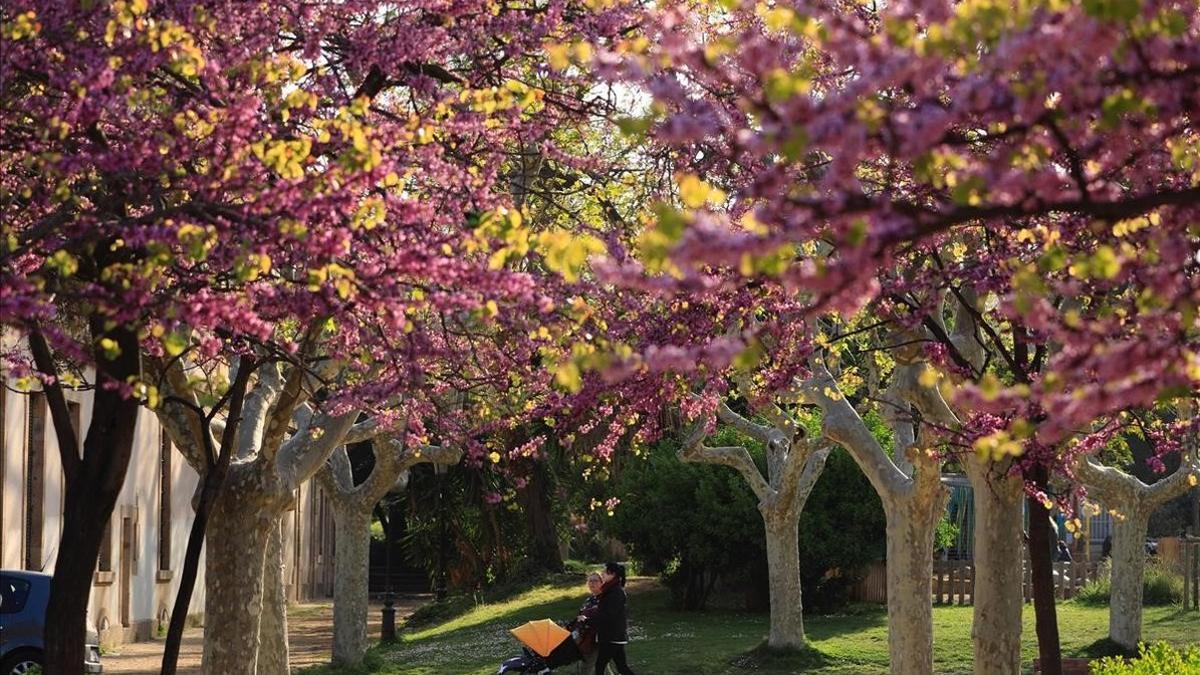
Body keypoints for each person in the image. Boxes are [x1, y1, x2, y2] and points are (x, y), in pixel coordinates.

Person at [586, 562, 637, 675]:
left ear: (612, 574)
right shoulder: (610, 590)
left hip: (611, 636)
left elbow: (608, 615)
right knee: (622, 667)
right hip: (613, 636)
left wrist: (589, 620)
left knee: (600, 666)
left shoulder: (615, 592)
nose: (603, 574)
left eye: (605, 572)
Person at [569, 573, 603, 674]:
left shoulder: (605, 599)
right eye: (590, 581)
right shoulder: (588, 600)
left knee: (585, 667)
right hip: (585, 637)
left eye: (595, 581)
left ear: (602, 583)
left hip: (597, 638)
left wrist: (587, 619)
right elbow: (579, 617)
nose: (592, 583)